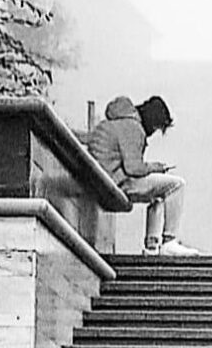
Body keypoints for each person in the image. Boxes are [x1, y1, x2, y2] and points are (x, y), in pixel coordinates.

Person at [86, 94, 201, 257]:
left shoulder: (116, 122)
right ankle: (169, 241)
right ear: (151, 121)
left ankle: (152, 246)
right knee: (176, 185)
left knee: (159, 196)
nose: (153, 133)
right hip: (116, 182)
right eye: (155, 128)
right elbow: (133, 168)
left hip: (103, 179)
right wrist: (157, 167)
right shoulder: (134, 128)